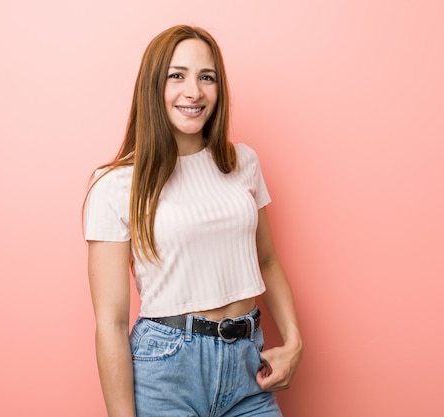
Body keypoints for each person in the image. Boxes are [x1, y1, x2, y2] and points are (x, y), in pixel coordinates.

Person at [84, 25, 302, 417]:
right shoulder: (115, 184)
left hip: (248, 367)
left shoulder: (243, 163)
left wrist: (294, 342)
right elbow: (111, 323)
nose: (194, 91)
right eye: (176, 75)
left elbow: (266, 261)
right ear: (153, 87)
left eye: (207, 77)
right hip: (166, 369)